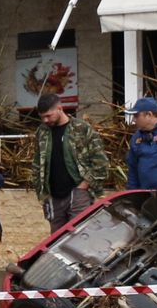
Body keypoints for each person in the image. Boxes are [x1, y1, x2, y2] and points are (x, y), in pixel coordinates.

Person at [34, 92, 111, 229]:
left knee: (79, 234)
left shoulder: (82, 129)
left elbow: (101, 161)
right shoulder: (42, 132)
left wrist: (86, 183)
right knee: (56, 239)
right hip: (53, 195)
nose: (45, 120)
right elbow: (37, 163)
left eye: (48, 116)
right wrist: (41, 191)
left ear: (59, 109)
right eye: (42, 117)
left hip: (78, 192)